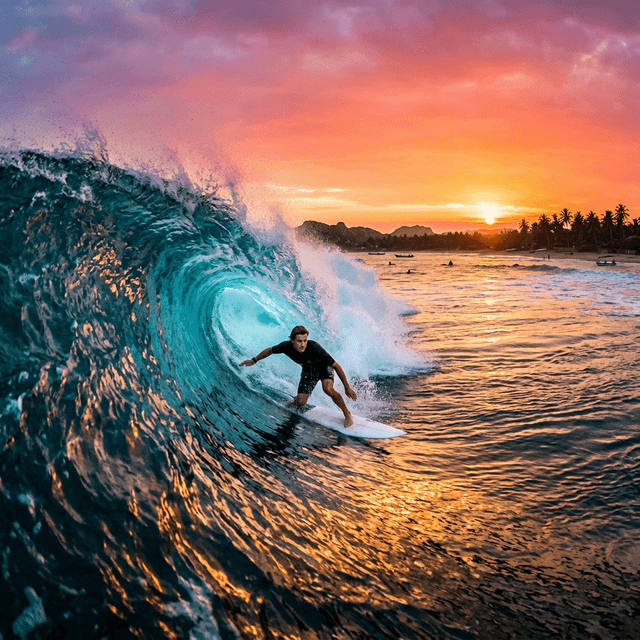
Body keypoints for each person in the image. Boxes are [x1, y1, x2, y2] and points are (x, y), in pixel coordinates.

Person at [239, 325, 357, 428]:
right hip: (308, 371)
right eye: (299, 341)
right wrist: (254, 360)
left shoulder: (315, 348)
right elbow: (270, 350)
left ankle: (347, 413)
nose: (303, 344)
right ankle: (296, 400)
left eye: (305, 340)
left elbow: (336, 365)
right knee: (301, 403)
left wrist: (347, 387)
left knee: (328, 389)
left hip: (323, 368)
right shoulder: (285, 347)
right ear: (292, 340)